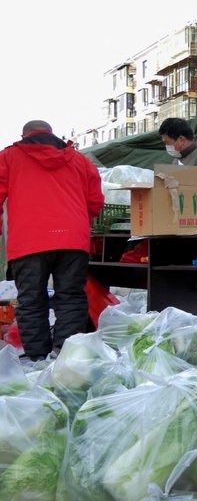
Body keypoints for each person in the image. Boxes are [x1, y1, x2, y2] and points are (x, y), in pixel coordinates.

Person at [0, 121, 104, 360]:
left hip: (29, 241)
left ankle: (38, 359)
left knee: (31, 300)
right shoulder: (80, 160)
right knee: (70, 296)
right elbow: (95, 201)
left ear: (24, 135)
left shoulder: (8, 157)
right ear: (51, 134)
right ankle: (66, 357)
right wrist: (77, 224)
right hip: (72, 240)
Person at [158, 117, 197, 321]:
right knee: (185, 276)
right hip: (182, 228)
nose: (167, 147)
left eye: (168, 143)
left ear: (181, 140)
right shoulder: (179, 158)